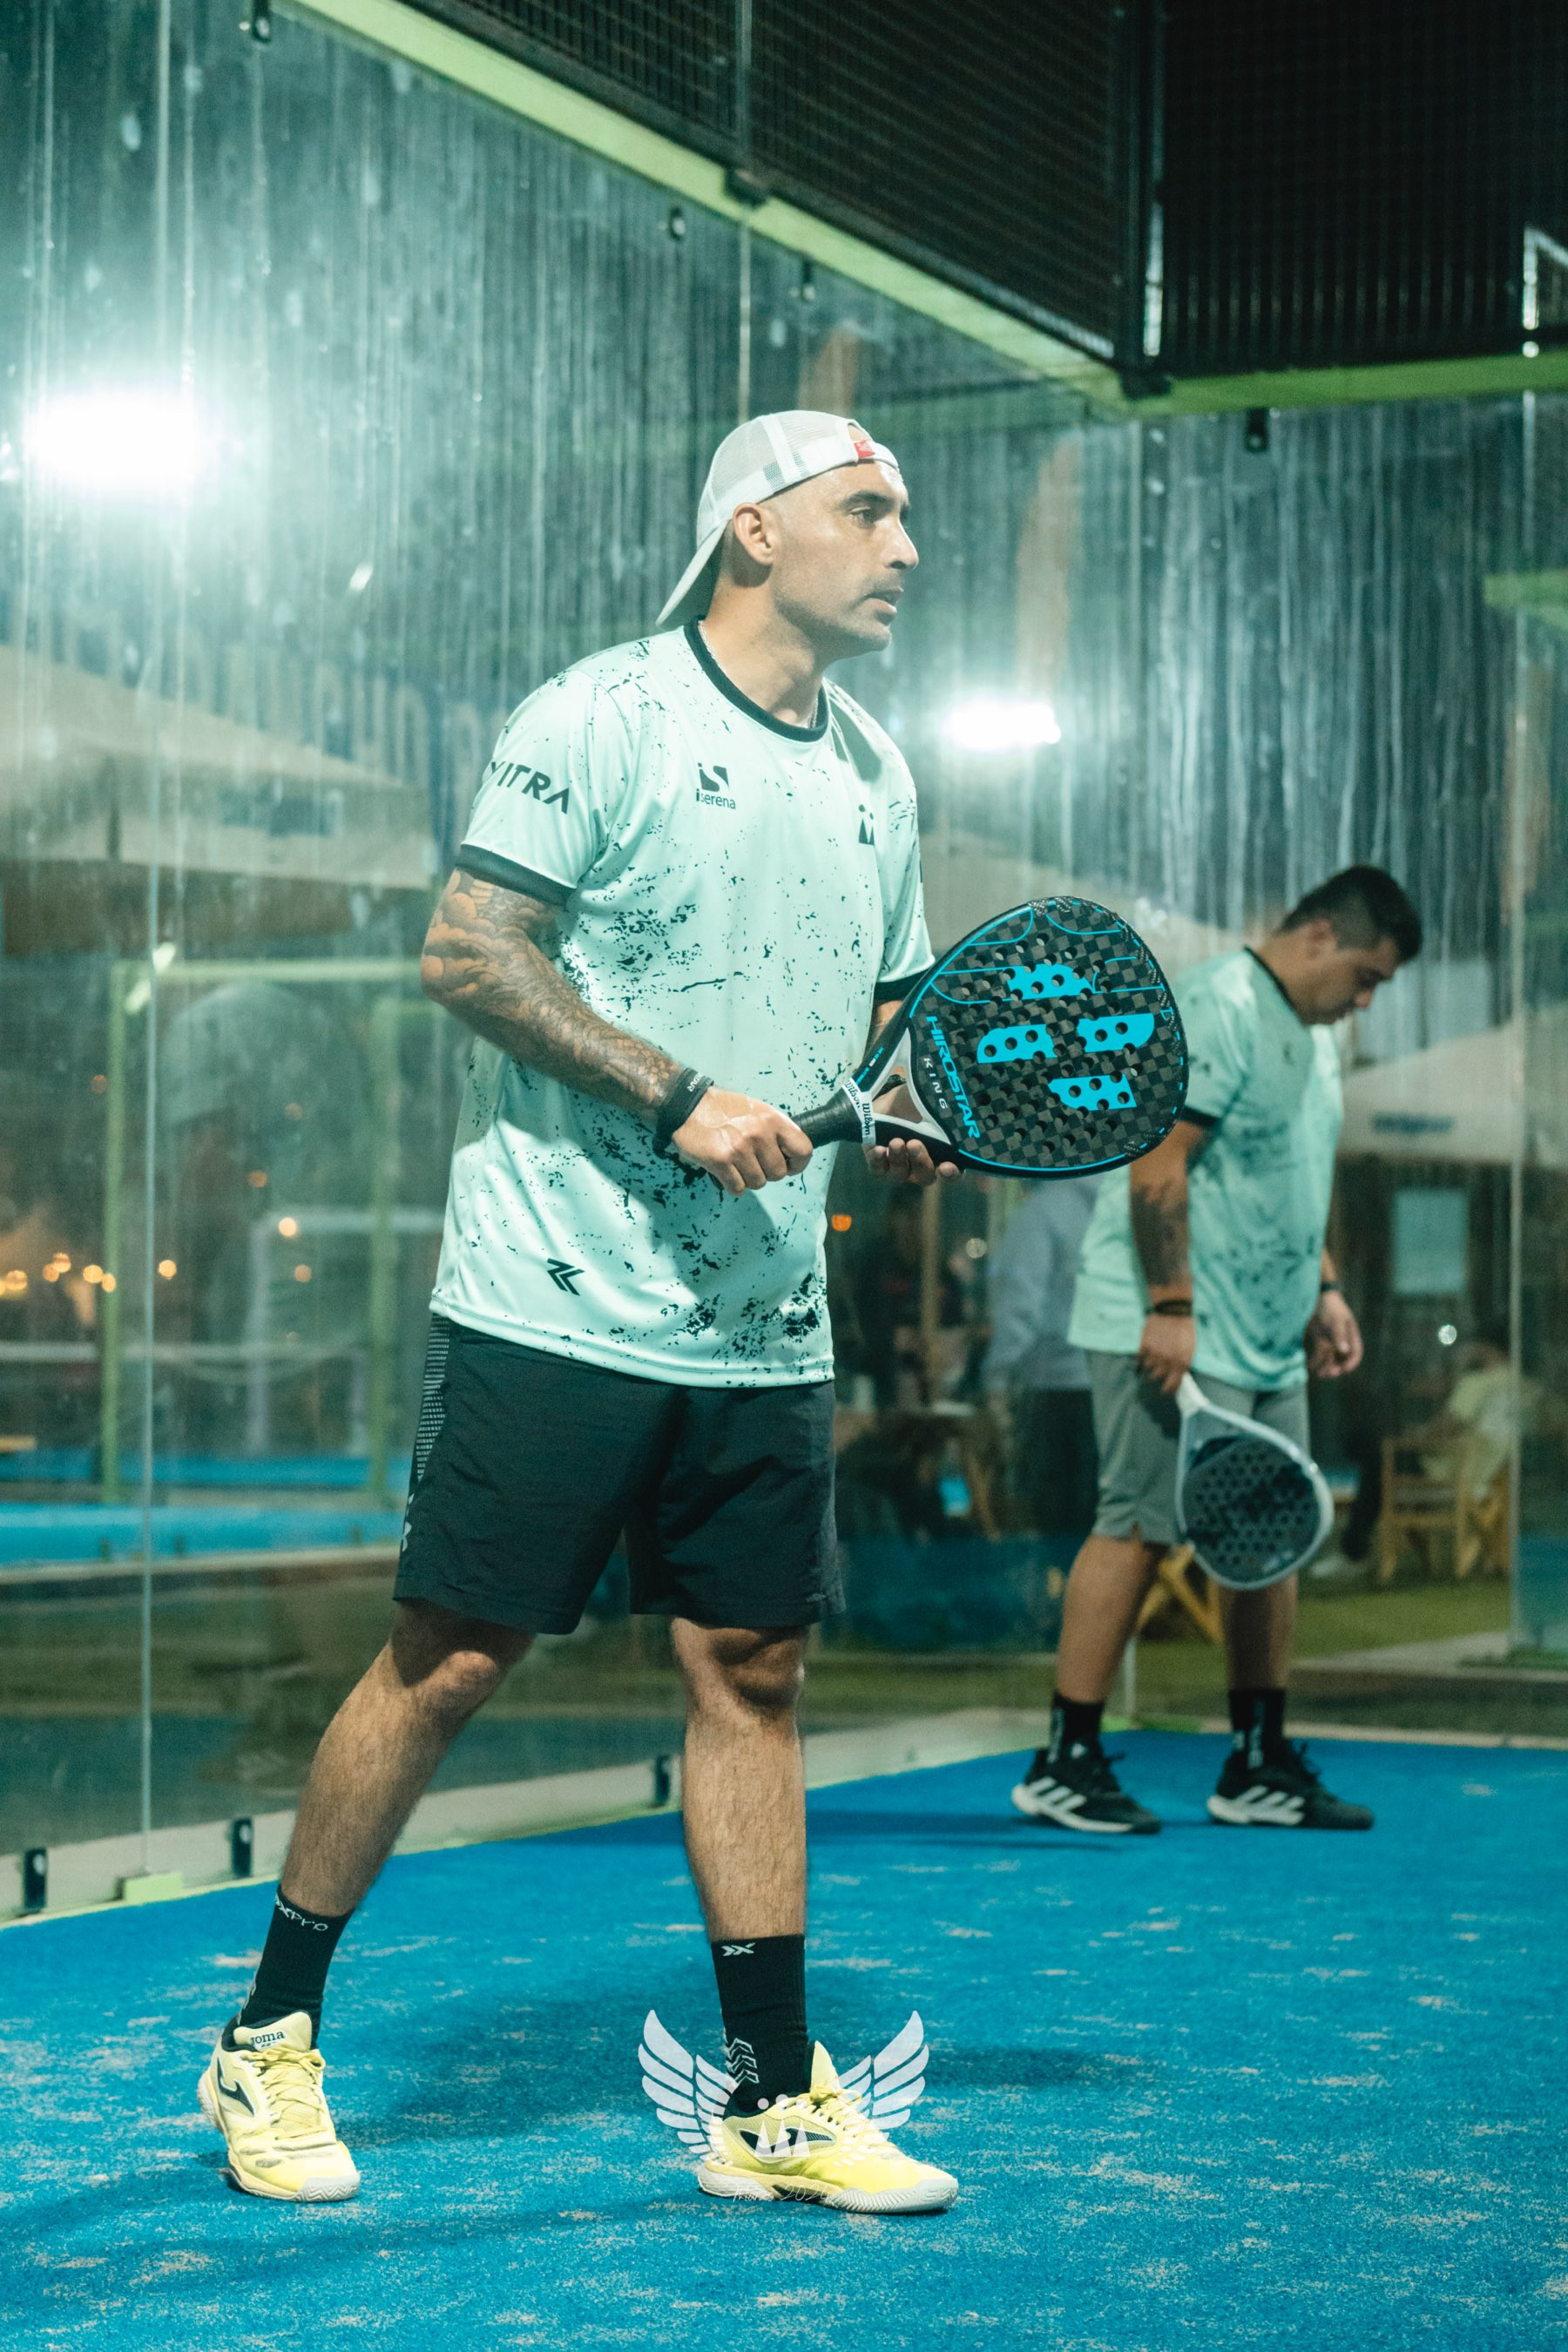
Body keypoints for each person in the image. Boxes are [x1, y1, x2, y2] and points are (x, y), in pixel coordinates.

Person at [198, 410, 959, 2215]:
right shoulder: (600, 714)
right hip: (554, 1297)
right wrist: (674, 1090)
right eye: (868, 511)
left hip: (765, 1325)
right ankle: (266, 2040)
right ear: (754, 531)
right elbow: (468, 949)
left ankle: (771, 2106)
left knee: (751, 1674)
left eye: (904, 516)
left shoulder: (879, 773)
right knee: (451, 1664)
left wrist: (908, 1101)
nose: (906, 546)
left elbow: (894, 1014)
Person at [1010, 867, 1422, 1836]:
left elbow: (1290, 1173)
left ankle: (1256, 1762)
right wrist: (1170, 1305)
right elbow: (1157, 1164)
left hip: (1265, 1333)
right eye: (1365, 977)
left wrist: (1323, 1288)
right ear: (1319, 935)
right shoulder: (1218, 1008)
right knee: (1138, 1527)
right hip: (1174, 1323)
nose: (1366, 1000)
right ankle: (1064, 1761)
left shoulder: (1316, 1039)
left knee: (1271, 1533)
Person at [983, 1176, 1101, 1536]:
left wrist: (997, 1377)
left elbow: (1021, 1307)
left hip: (1052, 1388)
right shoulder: (1113, 1204)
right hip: (1110, 1385)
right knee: (1097, 1521)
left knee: (1053, 1523)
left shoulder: (1040, 1213)